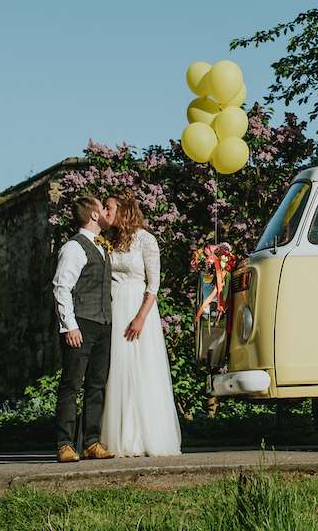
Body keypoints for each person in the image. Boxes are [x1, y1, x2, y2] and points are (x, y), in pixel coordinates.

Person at [100, 193, 183, 456]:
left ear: (123, 210)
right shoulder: (108, 241)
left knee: (141, 371)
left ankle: (146, 436)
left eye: (109, 207)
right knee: (118, 371)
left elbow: (153, 284)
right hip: (114, 307)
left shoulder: (146, 240)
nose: (105, 211)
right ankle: (120, 436)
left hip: (137, 308)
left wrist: (140, 317)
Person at [51, 195, 117, 463]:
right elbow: (61, 287)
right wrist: (69, 326)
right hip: (81, 324)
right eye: (102, 208)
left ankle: (91, 442)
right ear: (93, 215)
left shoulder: (101, 247)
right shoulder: (74, 247)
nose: (106, 213)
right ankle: (65, 444)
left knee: (96, 385)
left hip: (103, 324)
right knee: (71, 384)